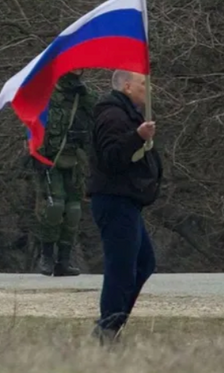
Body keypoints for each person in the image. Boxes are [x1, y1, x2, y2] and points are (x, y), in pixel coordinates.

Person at [88, 70, 161, 343]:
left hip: (127, 201)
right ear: (127, 86)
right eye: (144, 84)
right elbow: (111, 158)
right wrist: (138, 136)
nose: (148, 89)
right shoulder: (112, 115)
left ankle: (113, 323)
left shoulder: (127, 113)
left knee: (144, 263)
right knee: (121, 268)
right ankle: (108, 328)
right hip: (114, 200)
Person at [33, 70, 96, 276]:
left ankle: (64, 260)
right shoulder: (47, 94)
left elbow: (96, 114)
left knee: (74, 210)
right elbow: (34, 124)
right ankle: (47, 255)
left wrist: (84, 94)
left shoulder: (83, 96)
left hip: (75, 159)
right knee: (55, 206)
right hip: (50, 159)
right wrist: (37, 154)